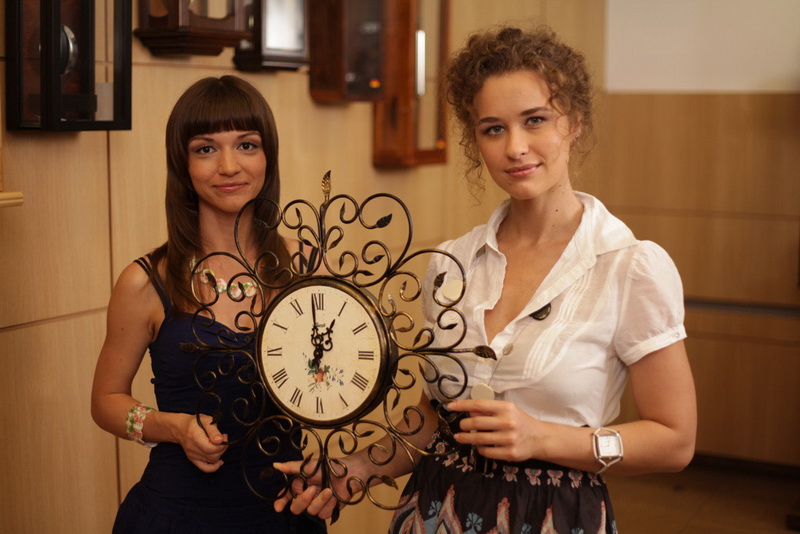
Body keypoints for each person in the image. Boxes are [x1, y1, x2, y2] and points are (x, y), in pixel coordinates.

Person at [274, 25, 696, 533]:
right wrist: (358, 467)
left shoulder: (629, 266)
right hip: (434, 510)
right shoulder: (452, 263)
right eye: (493, 129)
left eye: (535, 120)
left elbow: (674, 441)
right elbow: (435, 418)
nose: (515, 147)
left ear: (574, 123)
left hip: (553, 516)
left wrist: (545, 438)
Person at [91, 75, 326, 533]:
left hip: (285, 514)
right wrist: (173, 427)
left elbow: (334, 386)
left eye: (247, 145)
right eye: (205, 149)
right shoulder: (147, 281)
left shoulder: (309, 266)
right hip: (175, 515)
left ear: (268, 156)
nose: (228, 166)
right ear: (182, 164)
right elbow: (105, 401)